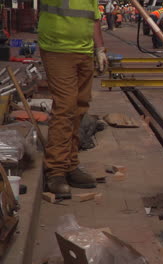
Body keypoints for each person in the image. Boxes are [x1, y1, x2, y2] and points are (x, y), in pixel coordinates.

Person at [38, 0, 108, 197]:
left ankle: (70, 165)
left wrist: (100, 49)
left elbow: (94, 18)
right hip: (57, 49)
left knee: (79, 107)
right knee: (65, 107)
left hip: (84, 51)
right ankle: (56, 171)